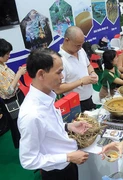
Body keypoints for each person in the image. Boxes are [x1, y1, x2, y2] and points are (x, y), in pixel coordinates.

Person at [18, 48, 90, 180]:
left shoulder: (47, 96)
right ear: (41, 74)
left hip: (67, 163)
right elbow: (28, 160)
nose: (62, 77)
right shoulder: (31, 115)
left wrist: (68, 126)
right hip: (57, 173)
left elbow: (48, 128)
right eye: (59, 72)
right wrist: (68, 156)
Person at [56, 26, 98, 112]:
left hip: (88, 98)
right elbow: (58, 89)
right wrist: (81, 82)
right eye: (77, 45)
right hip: (75, 104)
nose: (80, 47)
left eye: (81, 44)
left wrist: (93, 73)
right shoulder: (59, 60)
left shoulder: (80, 50)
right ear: (67, 40)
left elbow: (88, 65)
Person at [0, 38, 27, 149]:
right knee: (17, 126)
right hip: (11, 102)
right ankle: (23, 147)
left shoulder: (3, 65)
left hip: (17, 97)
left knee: (23, 122)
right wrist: (18, 74)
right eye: (7, 54)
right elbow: (8, 91)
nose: (9, 56)